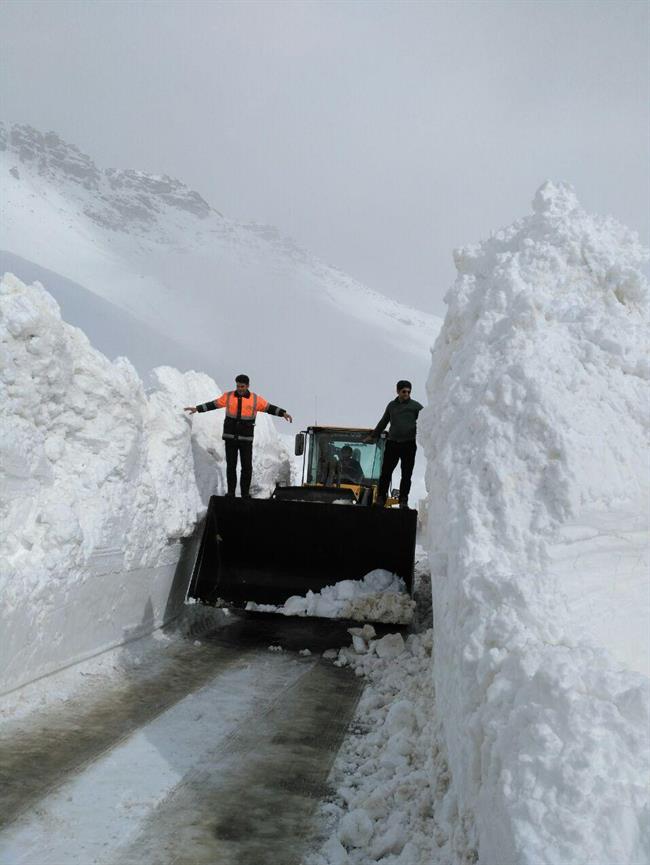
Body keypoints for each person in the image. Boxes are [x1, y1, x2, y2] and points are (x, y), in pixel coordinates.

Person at [184, 374, 292, 498]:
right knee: (231, 466)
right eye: (238, 386)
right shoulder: (229, 397)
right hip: (230, 438)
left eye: (242, 386)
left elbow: (269, 408)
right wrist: (197, 409)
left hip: (246, 440)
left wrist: (283, 413)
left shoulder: (255, 399)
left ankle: (245, 494)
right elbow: (214, 404)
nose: (239, 388)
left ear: (247, 386)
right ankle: (231, 493)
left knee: (246, 468)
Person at [366, 380, 423, 509]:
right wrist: (373, 435)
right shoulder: (392, 406)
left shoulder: (416, 407)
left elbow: (427, 420)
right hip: (393, 444)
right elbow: (383, 421)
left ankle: (403, 500)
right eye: (404, 391)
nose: (406, 394)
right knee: (386, 472)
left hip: (409, 444)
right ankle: (381, 498)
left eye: (409, 391)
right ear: (398, 391)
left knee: (406, 474)